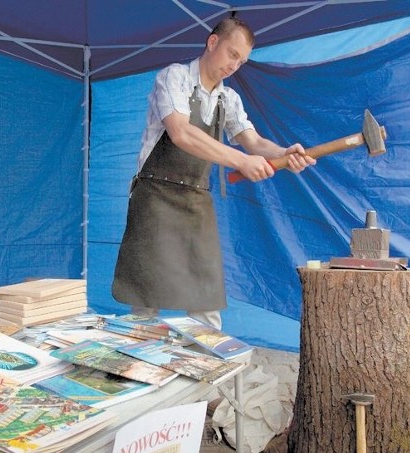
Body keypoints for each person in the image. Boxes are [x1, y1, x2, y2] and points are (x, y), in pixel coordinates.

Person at [111, 17, 315, 330]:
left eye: (242, 60)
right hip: (154, 197)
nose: (235, 65)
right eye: (232, 54)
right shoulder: (174, 77)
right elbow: (181, 133)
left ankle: (208, 373)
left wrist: (282, 154)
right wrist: (241, 161)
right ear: (212, 42)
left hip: (196, 199)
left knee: (206, 299)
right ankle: (132, 370)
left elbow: (253, 140)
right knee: (144, 300)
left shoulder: (228, 99)